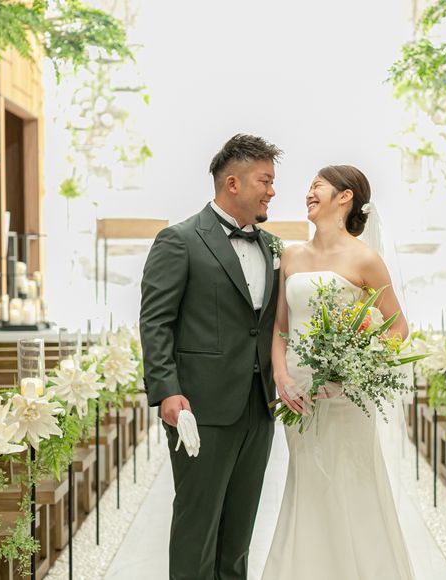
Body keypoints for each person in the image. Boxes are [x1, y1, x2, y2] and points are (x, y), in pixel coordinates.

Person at [140, 134, 283, 580]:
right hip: (200, 408)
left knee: (238, 535)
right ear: (233, 183)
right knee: (197, 528)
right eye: (265, 180)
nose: (272, 191)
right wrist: (167, 391)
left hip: (259, 407)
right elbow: (155, 322)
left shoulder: (272, 247)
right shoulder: (179, 240)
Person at [262, 165, 415, 579]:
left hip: (347, 398)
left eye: (317, 186)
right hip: (297, 393)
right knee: (307, 484)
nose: (308, 193)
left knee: (350, 484)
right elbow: (279, 327)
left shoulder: (365, 258)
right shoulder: (290, 255)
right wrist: (281, 377)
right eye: (309, 187)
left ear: (344, 197)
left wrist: (354, 370)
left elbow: (398, 327)